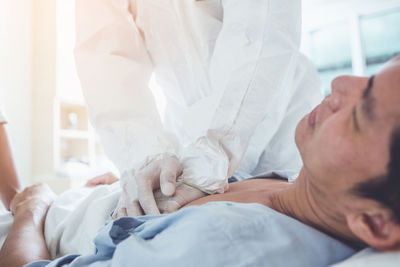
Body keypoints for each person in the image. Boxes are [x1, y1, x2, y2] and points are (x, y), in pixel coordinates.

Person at [1, 56, 399, 267]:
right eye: (370, 77)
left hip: (31, 228)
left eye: (362, 113)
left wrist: (30, 207)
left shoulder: (223, 251)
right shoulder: (301, 184)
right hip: (76, 204)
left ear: (375, 223)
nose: (341, 83)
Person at [74, 0, 322, 217]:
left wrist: (207, 161)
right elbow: (104, 56)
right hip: (184, 135)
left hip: (276, 116)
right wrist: (143, 156)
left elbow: (259, 28)